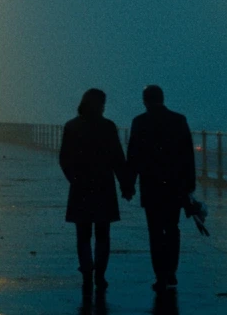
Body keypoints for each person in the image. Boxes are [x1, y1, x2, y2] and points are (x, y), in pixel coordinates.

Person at [124, 85, 196, 291]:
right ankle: (171, 270)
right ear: (162, 98)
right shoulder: (179, 120)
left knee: (155, 231)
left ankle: (160, 275)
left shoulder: (140, 122)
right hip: (175, 185)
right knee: (172, 228)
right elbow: (188, 155)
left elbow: (133, 156)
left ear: (144, 100)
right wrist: (189, 185)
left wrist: (128, 184)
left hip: (151, 185)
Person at [59, 88, 132, 290]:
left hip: (80, 187)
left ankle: (86, 270)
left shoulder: (72, 126)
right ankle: (100, 274)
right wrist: (126, 185)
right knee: (103, 233)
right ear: (99, 105)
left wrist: (73, 178)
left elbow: (64, 158)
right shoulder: (107, 127)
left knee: (82, 233)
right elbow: (118, 158)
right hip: (103, 187)